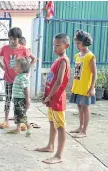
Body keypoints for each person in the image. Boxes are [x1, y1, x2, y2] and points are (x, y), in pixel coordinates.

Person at [34, 33, 71, 164]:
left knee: (60, 126)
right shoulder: (57, 59)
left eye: (57, 45)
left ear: (66, 46)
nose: (54, 48)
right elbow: (52, 79)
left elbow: (59, 82)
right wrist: (47, 95)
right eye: (53, 45)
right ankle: (50, 146)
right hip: (51, 98)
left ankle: (59, 155)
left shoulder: (63, 61)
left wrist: (50, 96)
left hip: (57, 99)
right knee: (52, 122)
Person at [0, 27, 37, 129]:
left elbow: (34, 59)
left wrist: (26, 70)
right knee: (8, 99)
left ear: (19, 38)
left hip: (20, 81)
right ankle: (6, 120)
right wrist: (2, 67)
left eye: (15, 39)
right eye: (10, 38)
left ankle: (21, 121)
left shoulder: (23, 49)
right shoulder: (5, 48)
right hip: (8, 78)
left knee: (21, 101)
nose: (12, 41)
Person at [69, 30, 96, 138]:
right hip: (78, 86)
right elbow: (77, 72)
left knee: (85, 108)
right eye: (76, 43)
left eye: (78, 43)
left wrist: (92, 88)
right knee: (79, 107)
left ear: (85, 42)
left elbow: (94, 74)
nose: (76, 45)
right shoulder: (77, 56)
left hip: (86, 87)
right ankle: (80, 127)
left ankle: (84, 131)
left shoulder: (90, 56)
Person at [6, 58, 32, 136]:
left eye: (17, 66)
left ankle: (28, 126)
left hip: (21, 99)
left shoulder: (23, 77)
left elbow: (26, 89)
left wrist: (27, 99)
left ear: (23, 69)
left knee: (21, 114)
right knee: (17, 114)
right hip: (17, 98)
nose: (15, 67)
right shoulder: (19, 76)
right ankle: (18, 128)